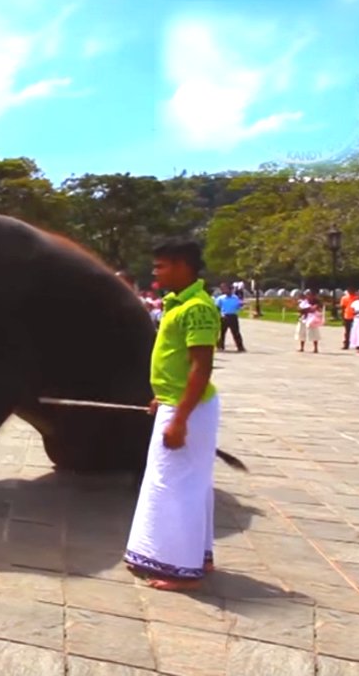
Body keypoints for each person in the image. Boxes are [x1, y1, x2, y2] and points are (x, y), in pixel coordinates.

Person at [124, 239, 221, 592]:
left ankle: (180, 568)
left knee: (175, 484)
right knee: (185, 481)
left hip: (188, 408)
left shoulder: (196, 307)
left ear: (182, 266)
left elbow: (201, 366)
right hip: (175, 401)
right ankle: (192, 556)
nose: (156, 272)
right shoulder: (178, 304)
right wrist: (163, 398)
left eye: (161, 266)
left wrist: (180, 416)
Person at [214, 286, 245, 352]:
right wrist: (219, 315)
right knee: (222, 332)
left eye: (228, 289)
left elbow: (238, 306)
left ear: (231, 290)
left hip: (233, 316)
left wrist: (240, 305)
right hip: (224, 316)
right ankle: (220, 346)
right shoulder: (221, 298)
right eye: (225, 290)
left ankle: (240, 347)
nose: (226, 291)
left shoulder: (235, 298)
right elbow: (217, 307)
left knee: (236, 332)